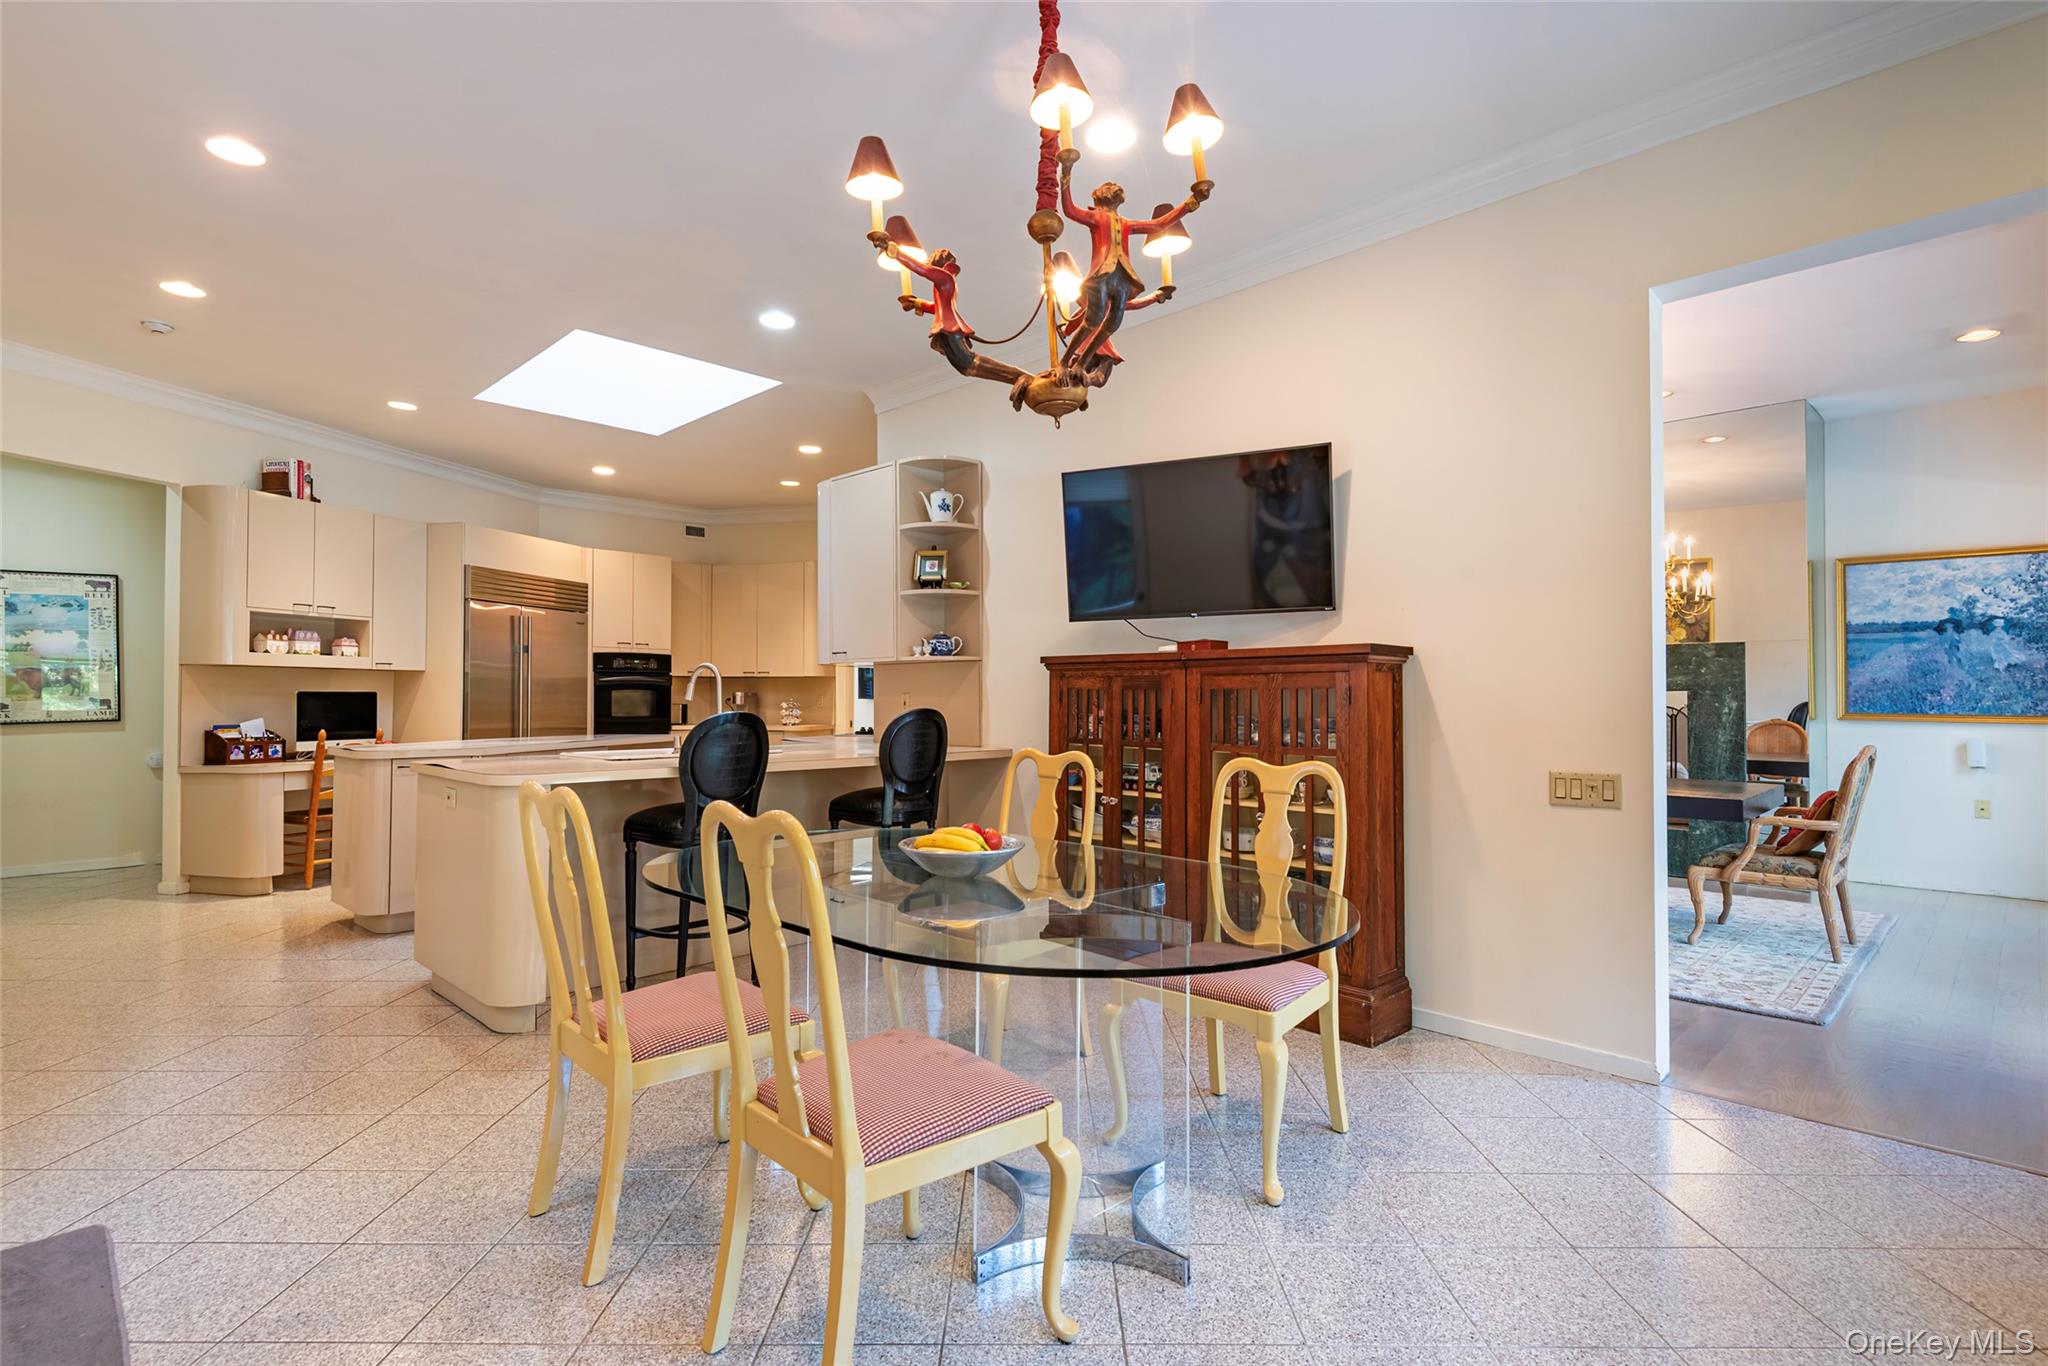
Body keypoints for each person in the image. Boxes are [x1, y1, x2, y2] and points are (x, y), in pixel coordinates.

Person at [1057, 170, 1205, 380]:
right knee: (1094, 319)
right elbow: (1070, 210)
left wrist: (1191, 202)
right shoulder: (1095, 217)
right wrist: (1066, 175)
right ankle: (1064, 363)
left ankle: (1080, 365)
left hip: (1122, 278)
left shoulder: (1125, 222)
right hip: (1101, 276)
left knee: (1113, 323)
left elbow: (1159, 225)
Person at [878, 240, 1030, 392]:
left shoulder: (945, 277)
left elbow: (922, 270)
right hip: (948, 328)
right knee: (967, 367)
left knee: (969, 362)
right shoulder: (945, 282)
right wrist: (917, 303)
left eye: (931, 260)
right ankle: (1015, 377)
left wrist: (896, 252)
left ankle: (1018, 375)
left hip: (950, 329)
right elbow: (939, 307)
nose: (929, 263)